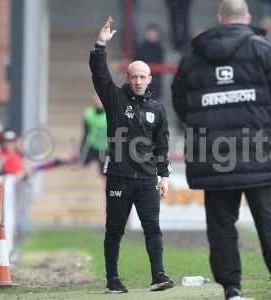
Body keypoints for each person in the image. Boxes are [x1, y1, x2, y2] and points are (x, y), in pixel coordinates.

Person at [171, 1, 271, 299]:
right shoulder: (265, 50)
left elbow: (179, 101)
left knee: (221, 226)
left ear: (220, 18)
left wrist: (205, 127)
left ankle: (232, 289)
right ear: (247, 18)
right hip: (261, 152)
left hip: (214, 157)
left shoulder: (194, 56)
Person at [89, 16, 173, 294]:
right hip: (119, 178)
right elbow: (99, 74)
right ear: (127, 77)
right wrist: (100, 45)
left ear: (150, 79)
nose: (138, 80)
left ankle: (158, 275)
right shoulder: (115, 100)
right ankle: (113, 279)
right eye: (133, 76)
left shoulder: (157, 109)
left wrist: (164, 175)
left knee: (153, 227)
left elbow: (162, 144)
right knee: (114, 230)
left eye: (143, 77)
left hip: (148, 178)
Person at [134, 23, 165, 100]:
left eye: (154, 33)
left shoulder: (160, 49)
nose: (152, 35)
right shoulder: (140, 48)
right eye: (150, 33)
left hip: (155, 83)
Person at [80, 92, 108, 174]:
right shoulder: (88, 113)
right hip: (92, 146)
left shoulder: (111, 112)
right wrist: (81, 148)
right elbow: (86, 132)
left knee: (105, 173)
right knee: (76, 161)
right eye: (96, 99)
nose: (98, 101)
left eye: (100, 99)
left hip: (106, 148)